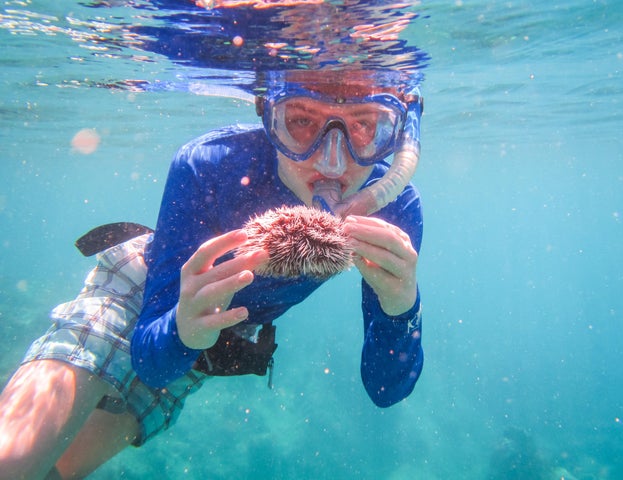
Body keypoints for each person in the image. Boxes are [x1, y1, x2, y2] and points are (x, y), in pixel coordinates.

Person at [0, 68, 424, 480]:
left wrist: (402, 307)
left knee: (62, 470)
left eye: (365, 126)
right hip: (143, 283)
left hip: (213, 334)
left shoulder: (397, 208)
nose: (333, 162)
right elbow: (150, 357)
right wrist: (181, 327)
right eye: (300, 120)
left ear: (398, 135)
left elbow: (385, 390)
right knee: (14, 461)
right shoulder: (211, 163)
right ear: (267, 116)